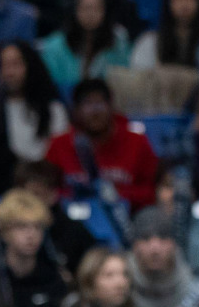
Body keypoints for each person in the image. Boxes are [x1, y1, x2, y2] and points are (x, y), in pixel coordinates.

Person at [44, 79, 161, 209]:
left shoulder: (137, 142)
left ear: (111, 107)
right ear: (76, 110)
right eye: (87, 104)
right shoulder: (59, 144)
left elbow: (151, 191)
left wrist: (119, 194)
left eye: (100, 103)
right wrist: (71, 196)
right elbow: (47, 189)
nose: (95, 111)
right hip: (73, 214)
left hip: (127, 214)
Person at [0, 187, 70, 307]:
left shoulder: (53, 276)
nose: (31, 234)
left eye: (37, 227)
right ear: (4, 232)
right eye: (21, 226)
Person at [39, 0, 132, 91]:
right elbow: (51, 85)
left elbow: (122, 78)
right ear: (75, 10)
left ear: (105, 11)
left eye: (96, 8)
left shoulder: (118, 41)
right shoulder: (54, 46)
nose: (90, 14)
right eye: (86, 8)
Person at [0, 40, 70, 164]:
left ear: (31, 66)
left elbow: (61, 153)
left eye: (16, 64)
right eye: (4, 65)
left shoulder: (54, 109)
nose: (9, 73)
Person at [127, 208, 196, 307]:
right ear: (135, 246)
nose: (155, 248)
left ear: (174, 244)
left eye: (163, 238)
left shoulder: (192, 287)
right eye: (145, 238)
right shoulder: (120, 276)